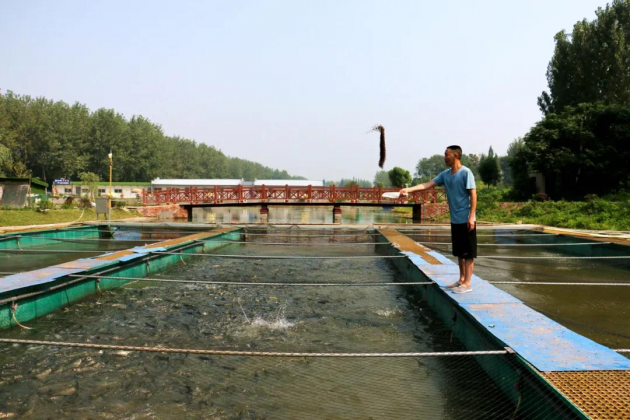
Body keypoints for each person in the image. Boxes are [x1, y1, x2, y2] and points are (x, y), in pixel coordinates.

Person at [399, 145, 477, 294]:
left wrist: (471, 217)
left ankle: (467, 283)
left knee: (468, 252)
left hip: (466, 219)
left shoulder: (466, 173)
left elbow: (473, 195)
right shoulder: (446, 174)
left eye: (446, 154)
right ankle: (461, 280)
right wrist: (408, 190)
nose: (444, 157)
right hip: (455, 219)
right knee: (460, 252)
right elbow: (427, 184)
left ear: (455, 155)